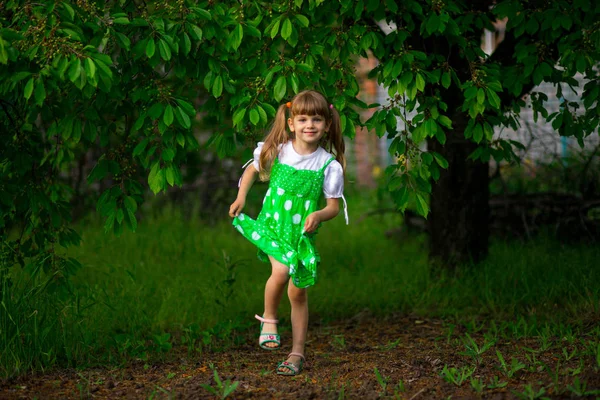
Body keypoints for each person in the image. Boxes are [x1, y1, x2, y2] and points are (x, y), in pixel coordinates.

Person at [228, 90, 348, 376]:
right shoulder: (280, 149)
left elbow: (333, 206)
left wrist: (318, 215)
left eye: (317, 119)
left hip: (299, 236)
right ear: (292, 123)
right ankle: (269, 317)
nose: (310, 125)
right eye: (303, 119)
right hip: (272, 227)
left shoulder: (328, 165)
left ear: (327, 125)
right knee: (280, 272)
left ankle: (296, 353)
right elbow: (252, 171)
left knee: (298, 294)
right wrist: (242, 196)